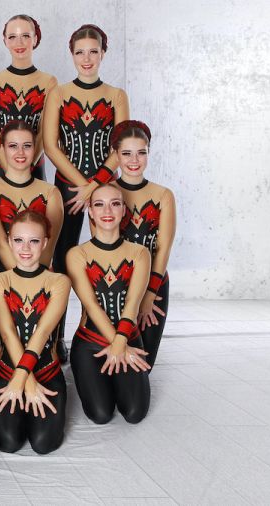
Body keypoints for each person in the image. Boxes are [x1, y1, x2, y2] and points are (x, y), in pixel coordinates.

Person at [42, 24, 130, 276]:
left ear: (103, 53)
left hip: (106, 183)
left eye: (93, 51)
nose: (87, 59)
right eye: (80, 52)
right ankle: (60, 303)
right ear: (72, 55)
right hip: (68, 185)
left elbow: (121, 146)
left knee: (108, 252)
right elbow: (50, 146)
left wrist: (94, 187)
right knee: (62, 252)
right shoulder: (59, 94)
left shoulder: (116, 95)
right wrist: (85, 186)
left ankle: (100, 304)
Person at [0, 211, 71, 454]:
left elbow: (43, 332)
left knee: (44, 444)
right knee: (8, 443)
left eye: (34, 241)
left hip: (47, 371)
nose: (25, 248)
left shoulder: (59, 281)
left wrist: (25, 379)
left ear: (45, 243)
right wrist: (26, 382)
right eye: (18, 240)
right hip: (7, 371)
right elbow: (7, 334)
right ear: (9, 241)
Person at [66, 183, 151, 424]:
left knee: (134, 414)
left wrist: (121, 343)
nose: (107, 211)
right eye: (99, 204)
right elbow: (92, 305)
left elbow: (133, 303)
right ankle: (87, 372)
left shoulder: (139, 253)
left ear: (123, 210)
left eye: (115, 204)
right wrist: (117, 345)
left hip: (128, 338)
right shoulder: (77, 254)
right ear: (91, 211)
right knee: (101, 414)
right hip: (90, 343)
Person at [96, 120, 176, 368]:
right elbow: (101, 247)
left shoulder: (163, 195)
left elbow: (163, 247)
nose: (134, 160)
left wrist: (149, 294)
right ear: (116, 154)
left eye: (141, 152)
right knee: (114, 358)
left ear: (148, 153)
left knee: (142, 364)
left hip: (154, 283)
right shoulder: (104, 194)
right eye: (127, 153)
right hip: (115, 285)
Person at [0, 121, 63, 273]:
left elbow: (49, 247)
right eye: (13, 146)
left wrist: (37, 278)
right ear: (2, 147)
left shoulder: (51, 192)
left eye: (27, 146)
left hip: (41, 276)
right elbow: (0, 244)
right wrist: (23, 279)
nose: (20, 152)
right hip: (0, 278)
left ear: (35, 148)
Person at [0, 14, 57, 182]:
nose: (19, 43)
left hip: (34, 164)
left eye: (25, 36)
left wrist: (27, 167)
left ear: (35, 39)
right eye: (12, 37)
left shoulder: (49, 82)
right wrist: (11, 170)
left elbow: (45, 132)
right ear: (5, 41)